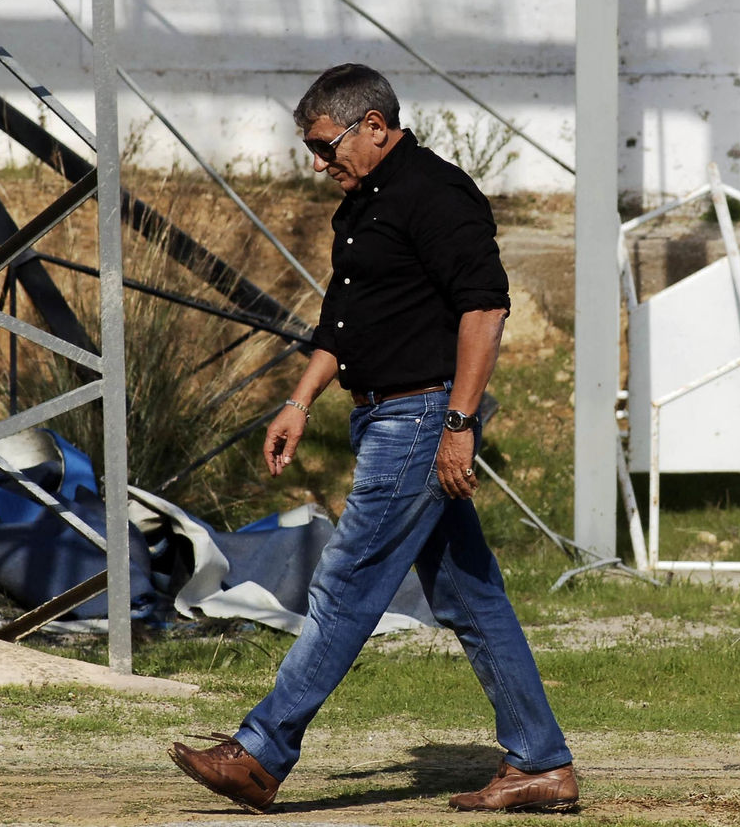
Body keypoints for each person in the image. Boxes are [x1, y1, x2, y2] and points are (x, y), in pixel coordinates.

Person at [167, 64, 577, 813]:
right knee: (473, 598)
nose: (321, 165)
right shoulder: (361, 206)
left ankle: (261, 752)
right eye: (314, 151)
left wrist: (459, 424)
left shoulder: (437, 193)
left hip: (422, 418)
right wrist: (299, 399)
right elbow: (342, 322)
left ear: (375, 127)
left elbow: (484, 310)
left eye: (327, 147)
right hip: (383, 413)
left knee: (346, 581)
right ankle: (541, 762)